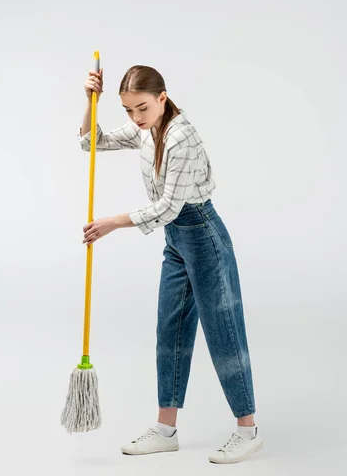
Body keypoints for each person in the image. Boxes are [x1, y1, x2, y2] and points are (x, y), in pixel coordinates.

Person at [77, 65, 263, 464]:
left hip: (203, 235)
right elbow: (91, 142)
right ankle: (165, 429)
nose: (136, 119)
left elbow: (167, 208)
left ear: (162, 97)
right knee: (171, 330)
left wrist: (111, 223)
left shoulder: (182, 136)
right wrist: (89, 101)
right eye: (128, 111)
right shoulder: (148, 128)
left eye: (141, 108)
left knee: (223, 332)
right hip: (176, 241)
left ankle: (248, 430)